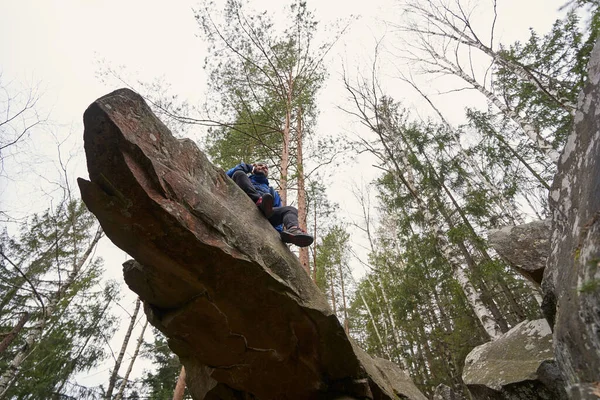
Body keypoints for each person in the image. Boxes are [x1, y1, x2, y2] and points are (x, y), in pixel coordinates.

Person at [226, 161, 314, 247]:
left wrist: (277, 234)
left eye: (266, 168)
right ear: (254, 168)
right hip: (244, 203)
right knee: (238, 174)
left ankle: (293, 231)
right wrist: (247, 166)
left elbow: (276, 208)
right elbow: (227, 176)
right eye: (260, 165)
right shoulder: (246, 179)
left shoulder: (272, 191)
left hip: (266, 212)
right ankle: (258, 201)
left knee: (290, 209)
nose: (264, 167)